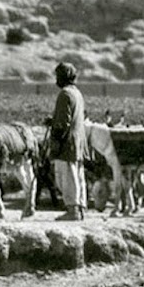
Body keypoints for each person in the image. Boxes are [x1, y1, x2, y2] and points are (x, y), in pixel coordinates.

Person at [47, 62, 87, 221]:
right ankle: (80, 209)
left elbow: (63, 123)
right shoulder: (77, 93)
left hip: (67, 142)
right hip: (78, 140)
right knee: (78, 175)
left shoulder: (64, 94)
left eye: (58, 76)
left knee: (67, 176)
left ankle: (72, 210)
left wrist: (55, 138)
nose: (56, 79)